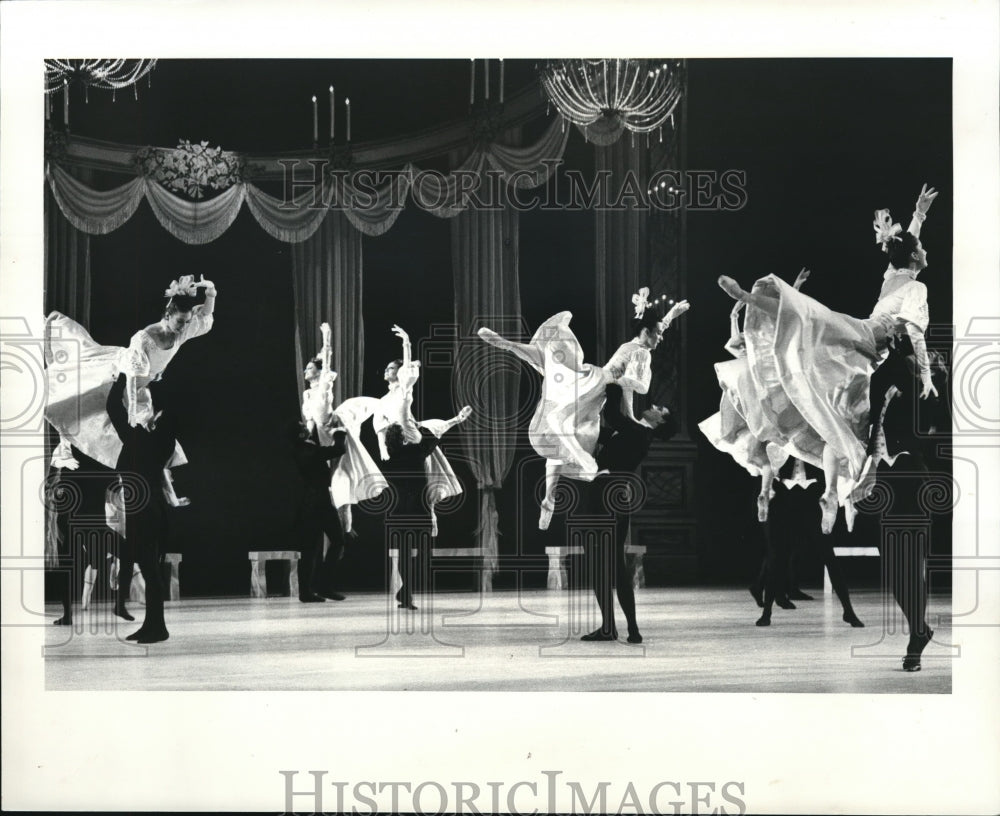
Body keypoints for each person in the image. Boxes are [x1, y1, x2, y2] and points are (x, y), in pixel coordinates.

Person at [716, 184, 939, 533]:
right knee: (807, 319)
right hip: (866, 342)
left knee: (836, 417)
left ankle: (833, 493)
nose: (925, 251)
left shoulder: (896, 277)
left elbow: (905, 248)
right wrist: (925, 374)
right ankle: (748, 296)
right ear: (914, 259)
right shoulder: (914, 287)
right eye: (922, 250)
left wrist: (919, 215)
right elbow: (915, 331)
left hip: (863, 354)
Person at [478, 290, 689, 529]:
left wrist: (627, 399)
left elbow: (639, 386)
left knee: (560, 406)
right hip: (597, 384)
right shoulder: (640, 349)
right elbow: (639, 380)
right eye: (659, 334)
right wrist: (672, 314)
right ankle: (505, 344)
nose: (661, 338)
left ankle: (549, 499)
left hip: (599, 386)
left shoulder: (641, 350)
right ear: (646, 331)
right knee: (556, 379)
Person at [44, 274, 217, 507]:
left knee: (155, 449)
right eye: (179, 322)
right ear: (167, 315)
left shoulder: (181, 331)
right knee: (81, 400)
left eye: (186, 323)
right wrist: (132, 413)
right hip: (118, 376)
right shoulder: (145, 338)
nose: (184, 328)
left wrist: (211, 293)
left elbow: (204, 316)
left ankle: (166, 498)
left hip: (140, 386)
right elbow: (131, 379)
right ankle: (62, 450)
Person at [700, 267, 811, 522]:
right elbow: (787, 313)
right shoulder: (768, 337)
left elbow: (735, 343)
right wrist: (796, 285)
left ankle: (765, 491)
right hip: (766, 390)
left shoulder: (752, 337)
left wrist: (732, 317)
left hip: (748, 388)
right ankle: (765, 490)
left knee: (760, 455)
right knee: (769, 451)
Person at [579, 384, 678, 643]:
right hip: (613, 497)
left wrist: (613, 388)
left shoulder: (639, 433)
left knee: (603, 565)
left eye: (659, 410)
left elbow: (613, 416)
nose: (654, 407)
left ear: (659, 422)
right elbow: (601, 433)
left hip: (605, 497)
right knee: (614, 564)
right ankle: (627, 629)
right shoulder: (635, 432)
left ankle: (616, 628)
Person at [372, 324, 471, 536]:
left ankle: (430, 516)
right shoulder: (383, 400)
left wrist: (406, 342)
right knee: (406, 486)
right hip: (397, 443)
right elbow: (379, 424)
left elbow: (407, 369)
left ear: (399, 373)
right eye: (387, 368)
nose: (387, 370)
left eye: (392, 368)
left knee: (425, 476)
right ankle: (406, 521)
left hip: (412, 434)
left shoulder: (404, 390)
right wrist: (382, 447)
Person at [106, 372, 179, 644]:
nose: (150, 418)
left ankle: (157, 627)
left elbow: (114, 408)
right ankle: (153, 624)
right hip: (150, 506)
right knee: (150, 570)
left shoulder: (142, 441)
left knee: (150, 569)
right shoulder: (161, 442)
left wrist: (122, 377)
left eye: (155, 419)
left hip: (144, 509)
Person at [750, 456, 864, 628]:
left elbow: (836, 461)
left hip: (813, 496)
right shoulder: (780, 433)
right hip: (783, 496)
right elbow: (768, 459)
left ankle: (848, 611)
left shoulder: (819, 434)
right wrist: (765, 490)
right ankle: (766, 612)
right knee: (776, 556)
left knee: (828, 555)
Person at [301, 322, 388, 535]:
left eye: (310, 368)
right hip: (322, 439)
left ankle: (344, 534)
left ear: (319, 373)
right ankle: (340, 533)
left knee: (342, 490)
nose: (306, 370)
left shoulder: (323, 386)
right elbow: (310, 420)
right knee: (331, 490)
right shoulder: (306, 395)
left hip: (335, 431)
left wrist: (327, 339)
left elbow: (327, 362)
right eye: (306, 368)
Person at [380, 421, 445, 610]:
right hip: (418, 509)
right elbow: (432, 440)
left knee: (403, 554)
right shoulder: (414, 452)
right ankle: (405, 591)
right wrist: (420, 426)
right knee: (422, 554)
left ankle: (405, 593)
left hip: (399, 511)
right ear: (404, 438)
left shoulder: (389, 462)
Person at [288, 419, 351, 603]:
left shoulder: (302, 448)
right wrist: (340, 433)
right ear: (300, 434)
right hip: (317, 504)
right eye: (302, 426)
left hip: (313, 503)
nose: (306, 427)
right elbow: (338, 450)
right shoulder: (305, 450)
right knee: (333, 542)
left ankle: (312, 590)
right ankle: (317, 588)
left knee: (312, 549)